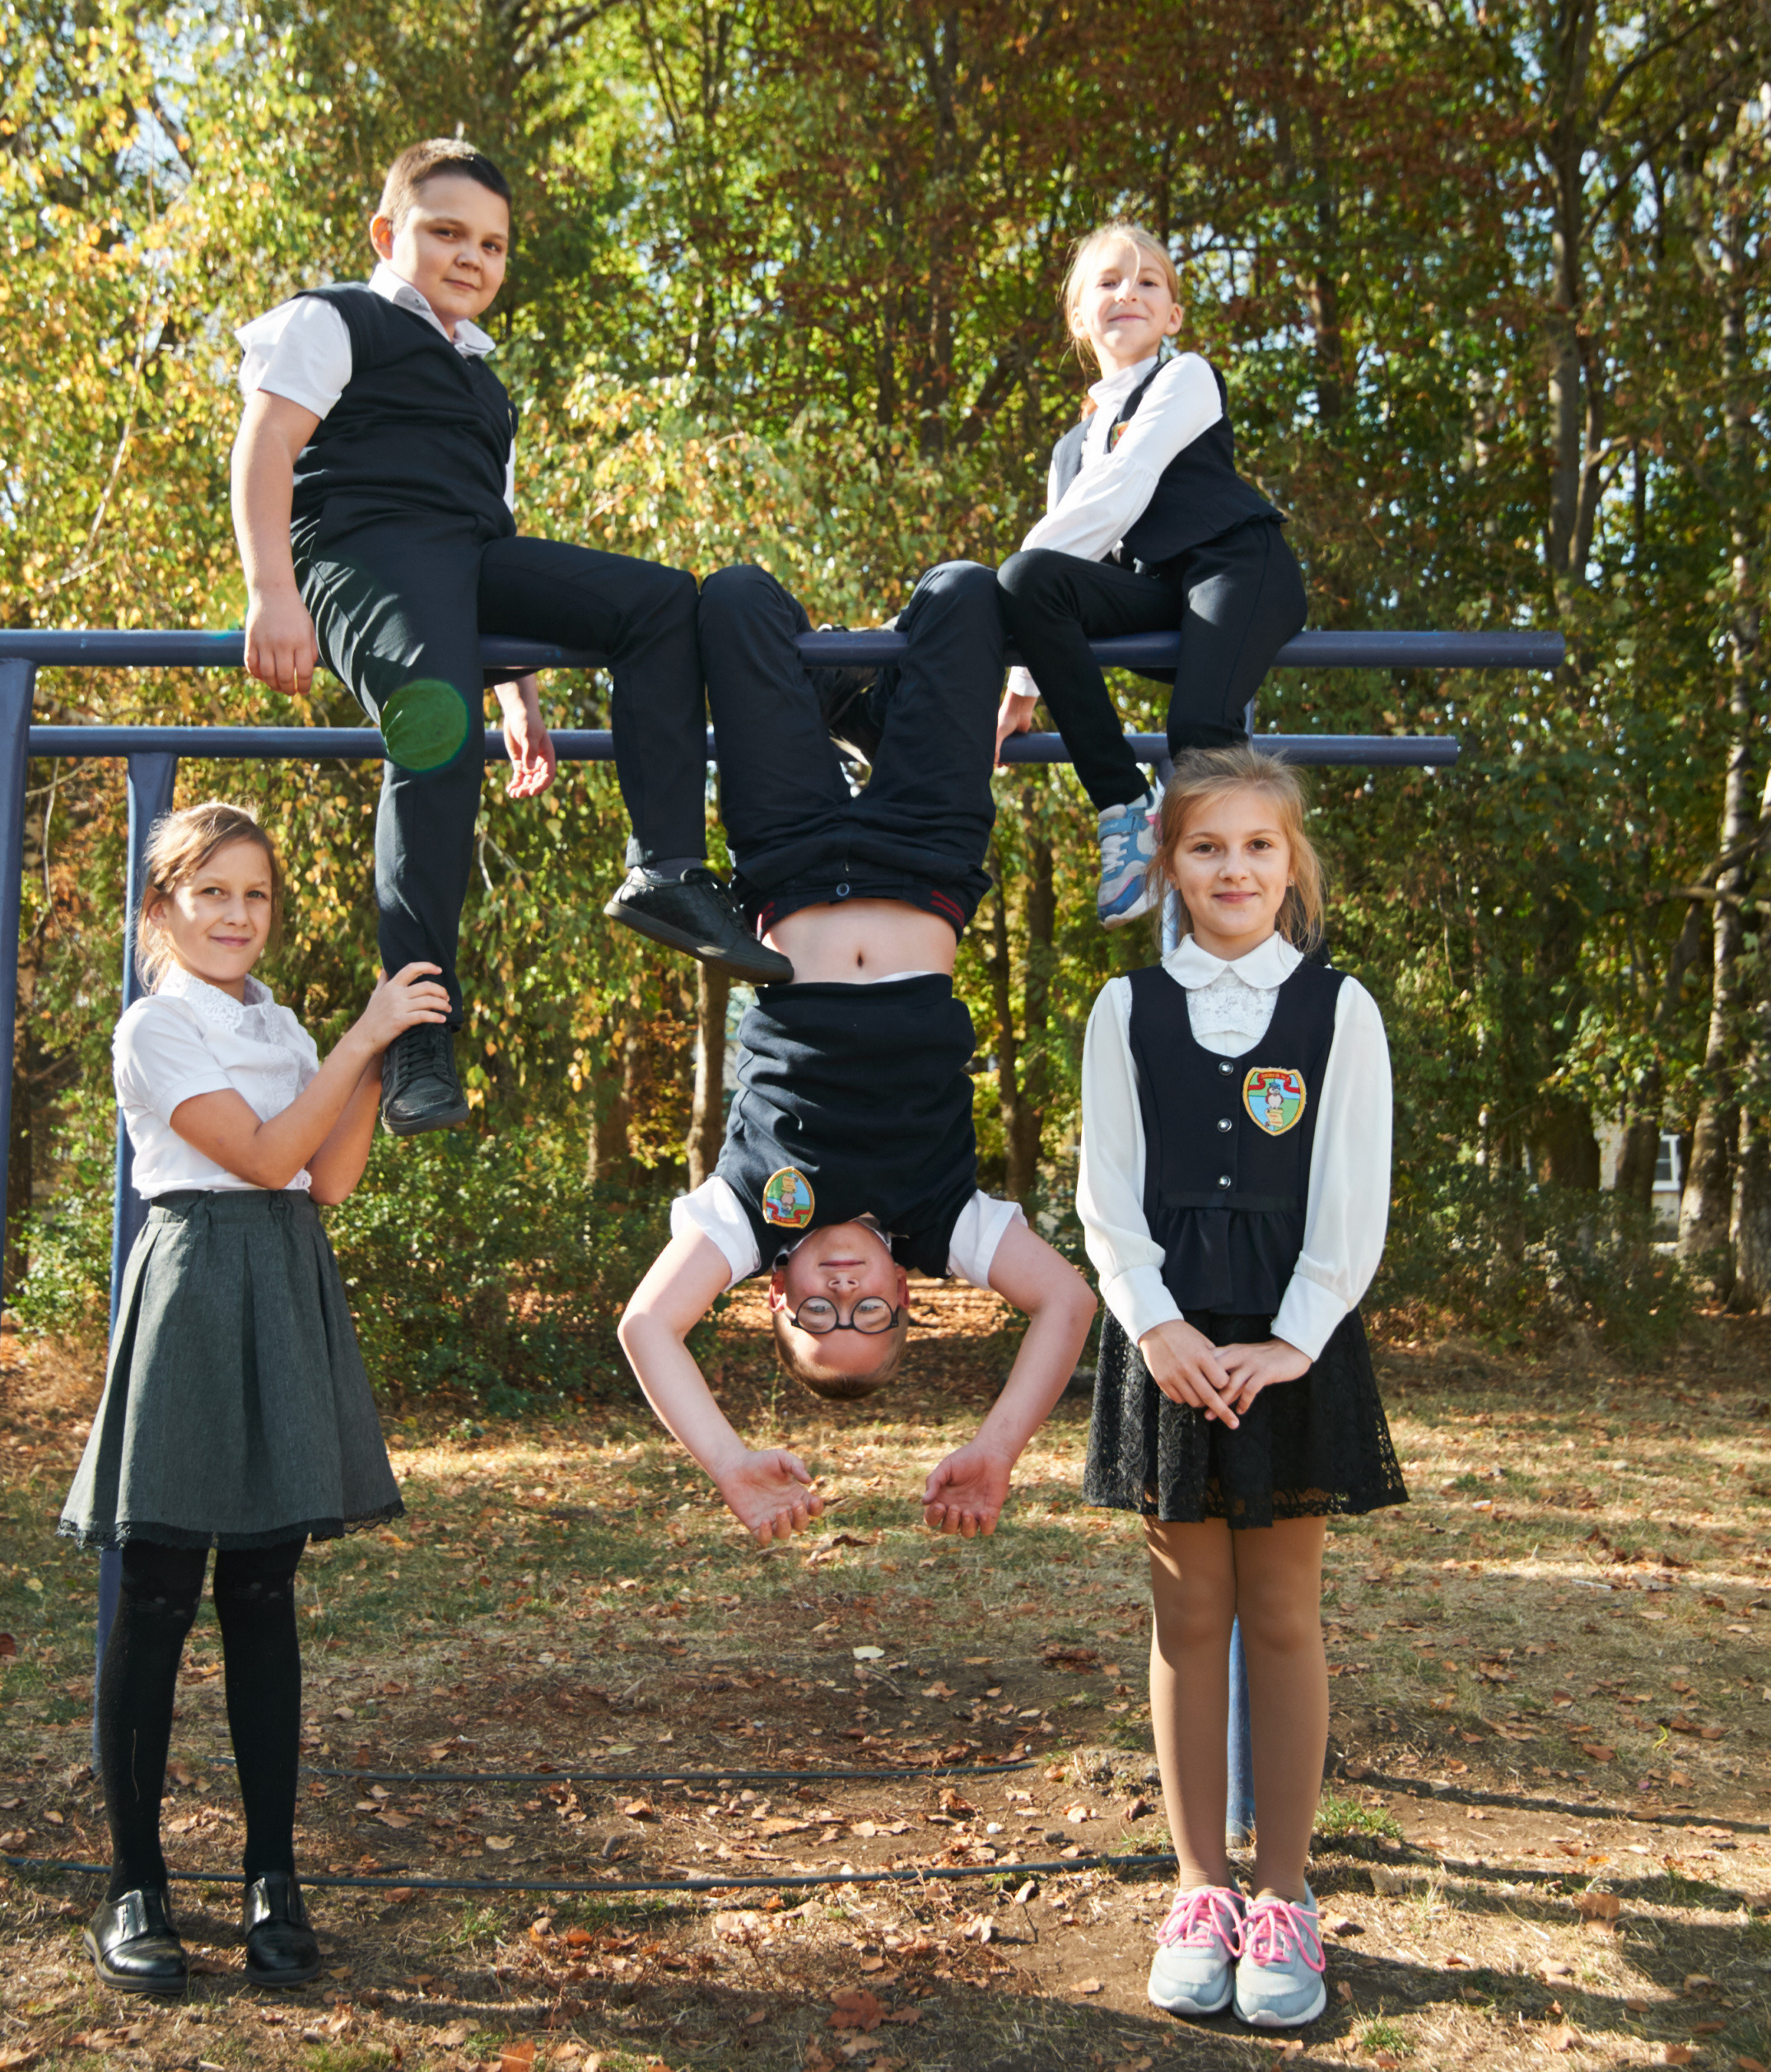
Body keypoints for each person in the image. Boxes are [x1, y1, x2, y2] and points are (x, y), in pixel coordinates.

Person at [230, 138, 788, 1141]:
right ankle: (416, 1030)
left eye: (491, 244)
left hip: (466, 564)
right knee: (433, 727)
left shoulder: (488, 385)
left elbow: (493, 535)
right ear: (385, 233)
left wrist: (516, 684)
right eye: (445, 232)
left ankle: (663, 867)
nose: (470, 258)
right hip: (361, 553)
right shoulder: (335, 318)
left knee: (663, 603)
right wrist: (272, 590)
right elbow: (267, 442)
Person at [616, 561, 1098, 1543]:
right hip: (925, 856)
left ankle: (846, 709)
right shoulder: (938, 1221)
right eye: (869, 1321)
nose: (842, 1301)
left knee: (738, 598)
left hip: (786, 853)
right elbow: (1066, 1303)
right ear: (904, 1292)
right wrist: (996, 1448)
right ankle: (868, 715)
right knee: (965, 592)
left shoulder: (748, 1221)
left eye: (816, 1323)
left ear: (774, 1301)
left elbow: (647, 1326)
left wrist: (729, 1463)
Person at [59, 801, 432, 1998]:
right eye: (210, 892)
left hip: (283, 1282)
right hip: (194, 1277)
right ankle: (135, 1885)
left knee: (263, 1590)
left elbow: (325, 1181)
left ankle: (272, 1877)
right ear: (162, 908)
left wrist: (372, 1056)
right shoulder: (154, 1027)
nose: (236, 915)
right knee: (159, 1589)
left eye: (255, 895)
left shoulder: (281, 1026)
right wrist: (361, 1036)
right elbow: (263, 1158)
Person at [1074, 745, 1405, 2028]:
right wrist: (1154, 1328)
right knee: (1185, 1616)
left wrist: (1296, 1336)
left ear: (1293, 866)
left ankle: (1283, 1896)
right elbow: (1107, 1193)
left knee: (1280, 1612)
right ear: (1171, 865)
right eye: (1207, 847)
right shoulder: (1125, 1013)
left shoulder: (1341, 1011)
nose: (1234, 869)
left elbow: (1354, 1197)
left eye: (1259, 847)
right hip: (1167, 1342)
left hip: (1285, 1344)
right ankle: (1197, 1887)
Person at [996, 222, 1308, 929]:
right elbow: (1062, 557)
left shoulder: (1186, 377)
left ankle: (1281, 940)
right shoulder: (1069, 449)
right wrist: (1024, 682)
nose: (1126, 294)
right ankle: (1123, 808)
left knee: (1198, 732)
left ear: (1172, 316)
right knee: (1024, 580)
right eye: (1107, 282)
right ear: (1080, 316)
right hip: (1160, 589)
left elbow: (1122, 491)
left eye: (1147, 283)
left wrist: (1016, 677)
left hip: (1236, 564)